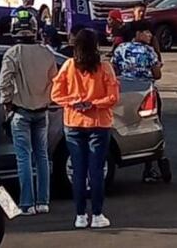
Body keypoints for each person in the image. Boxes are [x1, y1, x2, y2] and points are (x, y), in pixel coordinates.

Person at [51, 28, 120, 229]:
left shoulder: (68, 66)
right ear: (96, 46)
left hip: (73, 123)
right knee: (96, 170)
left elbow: (56, 94)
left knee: (78, 171)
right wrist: (94, 103)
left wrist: (74, 101)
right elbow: (113, 97)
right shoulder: (104, 67)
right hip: (99, 124)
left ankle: (80, 215)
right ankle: (97, 214)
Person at [0, 22, 58, 215]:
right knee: (42, 156)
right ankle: (43, 202)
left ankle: (27, 204)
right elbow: (54, 81)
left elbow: (4, 81)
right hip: (42, 111)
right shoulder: (47, 53)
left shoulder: (12, 53)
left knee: (23, 158)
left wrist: (6, 103)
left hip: (20, 112)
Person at [111, 22, 165, 183]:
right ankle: (149, 168)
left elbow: (113, 70)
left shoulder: (120, 49)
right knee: (149, 126)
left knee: (124, 124)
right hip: (145, 93)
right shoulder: (149, 51)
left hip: (125, 92)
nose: (150, 35)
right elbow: (157, 75)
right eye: (146, 32)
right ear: (137, 33)